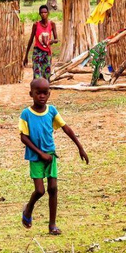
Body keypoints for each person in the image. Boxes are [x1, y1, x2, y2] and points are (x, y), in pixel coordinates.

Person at [20, 77, 88, 235]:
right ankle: (28, 209)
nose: (42, 96)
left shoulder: (52, 111)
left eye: (45, 93)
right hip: (36, 157)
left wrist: (80, 147)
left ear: (49, 94)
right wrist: (40, 153)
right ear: (31, 94)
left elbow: (66, 128)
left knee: (53, 188)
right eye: (38, 93)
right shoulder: (26, 114)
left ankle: (52, 225)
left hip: (50, 154)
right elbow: (23, 137)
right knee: (39, 191)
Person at [23, 5, 58, 80]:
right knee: (37, 73)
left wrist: (50, 41)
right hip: (37, 52)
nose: (43, 14)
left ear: (48, 13)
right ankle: (37, 90)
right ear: (39, 14)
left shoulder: (52, 24)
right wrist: (26, 56)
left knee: (47, 74)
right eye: (41, 13)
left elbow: (56, 39)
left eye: (45, 12)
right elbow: (31, 39)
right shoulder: (36, 25)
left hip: (47, 52)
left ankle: (45, 90)